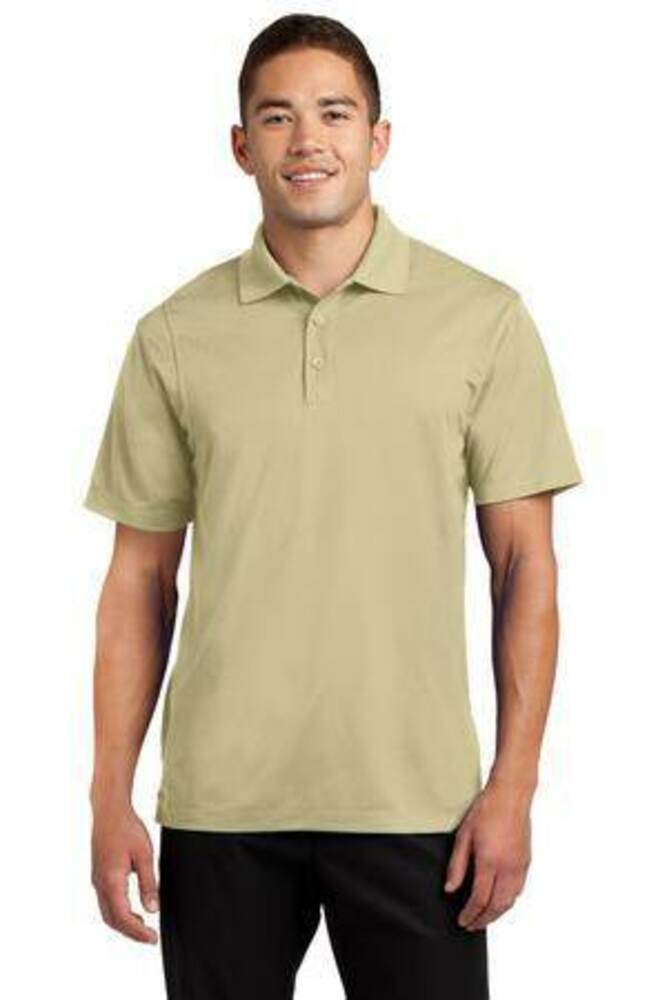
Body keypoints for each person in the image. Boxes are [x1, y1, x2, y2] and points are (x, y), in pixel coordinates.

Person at [83, 13, 583, 999]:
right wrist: (109, 794)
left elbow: (524, 567)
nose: (306, 139)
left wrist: (514, 786)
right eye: (277, 117)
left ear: (377, 138)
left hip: (419, 806)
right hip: (222, 806)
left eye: (334, 113)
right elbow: (139, 579)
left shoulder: (481, 319)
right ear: (241, 146)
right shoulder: (174, 335)